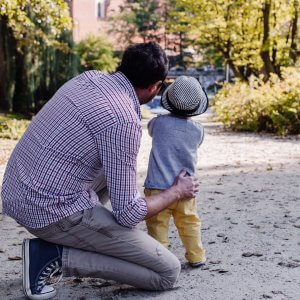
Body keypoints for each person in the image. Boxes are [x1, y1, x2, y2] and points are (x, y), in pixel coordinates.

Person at [1, 42, 199, 300]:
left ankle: (87, 235)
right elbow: (129, 214)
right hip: (49, 210)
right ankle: (52, 257)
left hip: (17, 191)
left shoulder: (88, 78)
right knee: (166, 271)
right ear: (155, 87)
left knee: (115, 168)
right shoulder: (124, 119)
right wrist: (176, 191)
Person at [144, 76, 208, 267]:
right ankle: (196, 256)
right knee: (189, 223)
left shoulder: (158, 123)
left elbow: (150, 130)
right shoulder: (198, 130)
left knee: (157, 226)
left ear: (169, 100)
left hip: (157, 189)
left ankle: (160, 260)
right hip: (186, 188)